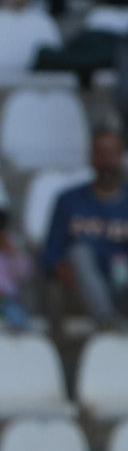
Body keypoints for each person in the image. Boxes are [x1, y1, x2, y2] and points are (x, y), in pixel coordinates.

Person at [42, 129, 128, 327]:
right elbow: (50, 255)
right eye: (100, 153)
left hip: (122, 283)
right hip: (81, 288)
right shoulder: (69, 200)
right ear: (91, 157)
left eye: (111, 153)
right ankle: (108, 323)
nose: (106, 161)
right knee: (79, 252)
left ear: (121, 157)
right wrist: (63, 272)